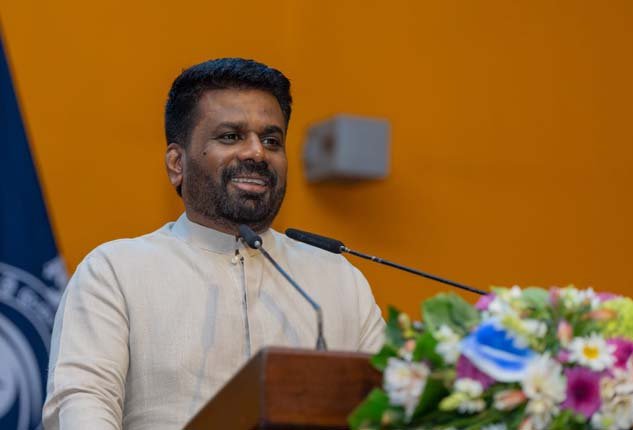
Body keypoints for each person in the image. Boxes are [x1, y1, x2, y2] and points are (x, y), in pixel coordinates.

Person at [43, 58, 385, 430]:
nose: (257, 153)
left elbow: (392, 407)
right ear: (177, 163)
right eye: (231, 137)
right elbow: (81, 405)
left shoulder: (336, 279)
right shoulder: (116, 272)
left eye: (272, 140)